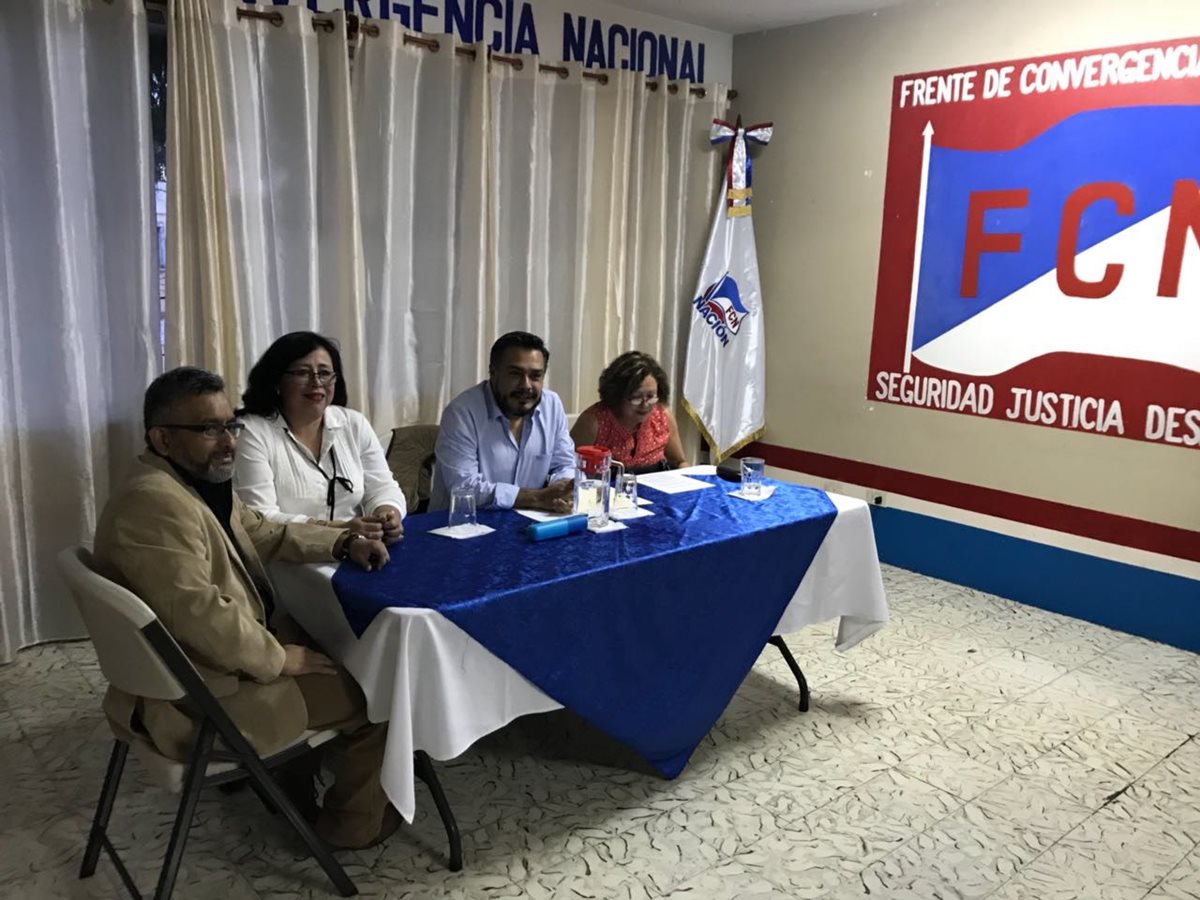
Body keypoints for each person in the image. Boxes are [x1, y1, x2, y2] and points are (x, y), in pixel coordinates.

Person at [93, 367, 397, 849]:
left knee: (332, 641)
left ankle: (285, 781)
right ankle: (350, 827)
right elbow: (200, 615)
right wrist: (280, 659)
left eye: (229, 425)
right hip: (200, 700)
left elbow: (263, 529)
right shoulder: (154, 505)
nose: (229, 441)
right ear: (162, 438)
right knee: (383, 694)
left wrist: (341, 542)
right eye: (208, 429)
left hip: (202, 672)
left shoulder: (185, 484)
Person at [234, 332, 405, 545]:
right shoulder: (251, 432)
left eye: (324, 373)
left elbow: (383, 487)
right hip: (288, 559)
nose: (316, 382)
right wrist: (340, 531)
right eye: (302, 373)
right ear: (277, 381)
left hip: (359, 546)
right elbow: (260, 518)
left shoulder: (353, 423)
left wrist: (387, 512)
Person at [430, 331, 576, 512]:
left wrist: (563, 489)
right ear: (493, 372)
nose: (526, 385)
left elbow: (565, 464)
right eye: (515, 374)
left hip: (528, 523)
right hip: (462, 527)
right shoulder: (461, 413)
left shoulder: (552, 405)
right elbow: (464, 488)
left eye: (535, 376)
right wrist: (538, 498)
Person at [570, 351, 689, 474]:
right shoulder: (593, 423)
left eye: (651, 396)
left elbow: (680, 462)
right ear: (617, 395)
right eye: (636, 397)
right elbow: (568, 468)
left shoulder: (663, 417)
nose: (645, 404)